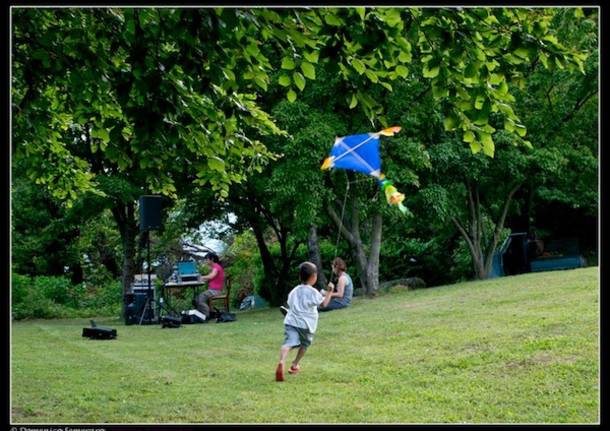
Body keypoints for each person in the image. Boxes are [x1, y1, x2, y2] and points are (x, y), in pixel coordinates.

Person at [276, 261, 333, 382]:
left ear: (300, 276)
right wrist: (329, 292)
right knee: (304, 344)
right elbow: (323, 304)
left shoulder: (294, 291)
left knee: (289, 343)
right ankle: (295, 364)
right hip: (306, 325)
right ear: (313, 277)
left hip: (291, 321)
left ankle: (281, 361)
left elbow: (291, 304)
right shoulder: (313, 292)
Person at [194, 252, 225, 319]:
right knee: (196, 299)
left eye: (207, 259)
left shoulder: (216, 267)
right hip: (213, 290)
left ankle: (206, 315)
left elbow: (211, 276)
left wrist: (200, 277)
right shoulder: (215, 267)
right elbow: (210, 278)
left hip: (215, 291)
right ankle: (203, 314)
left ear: (212, 259)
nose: (206, 261)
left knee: (199, 299)